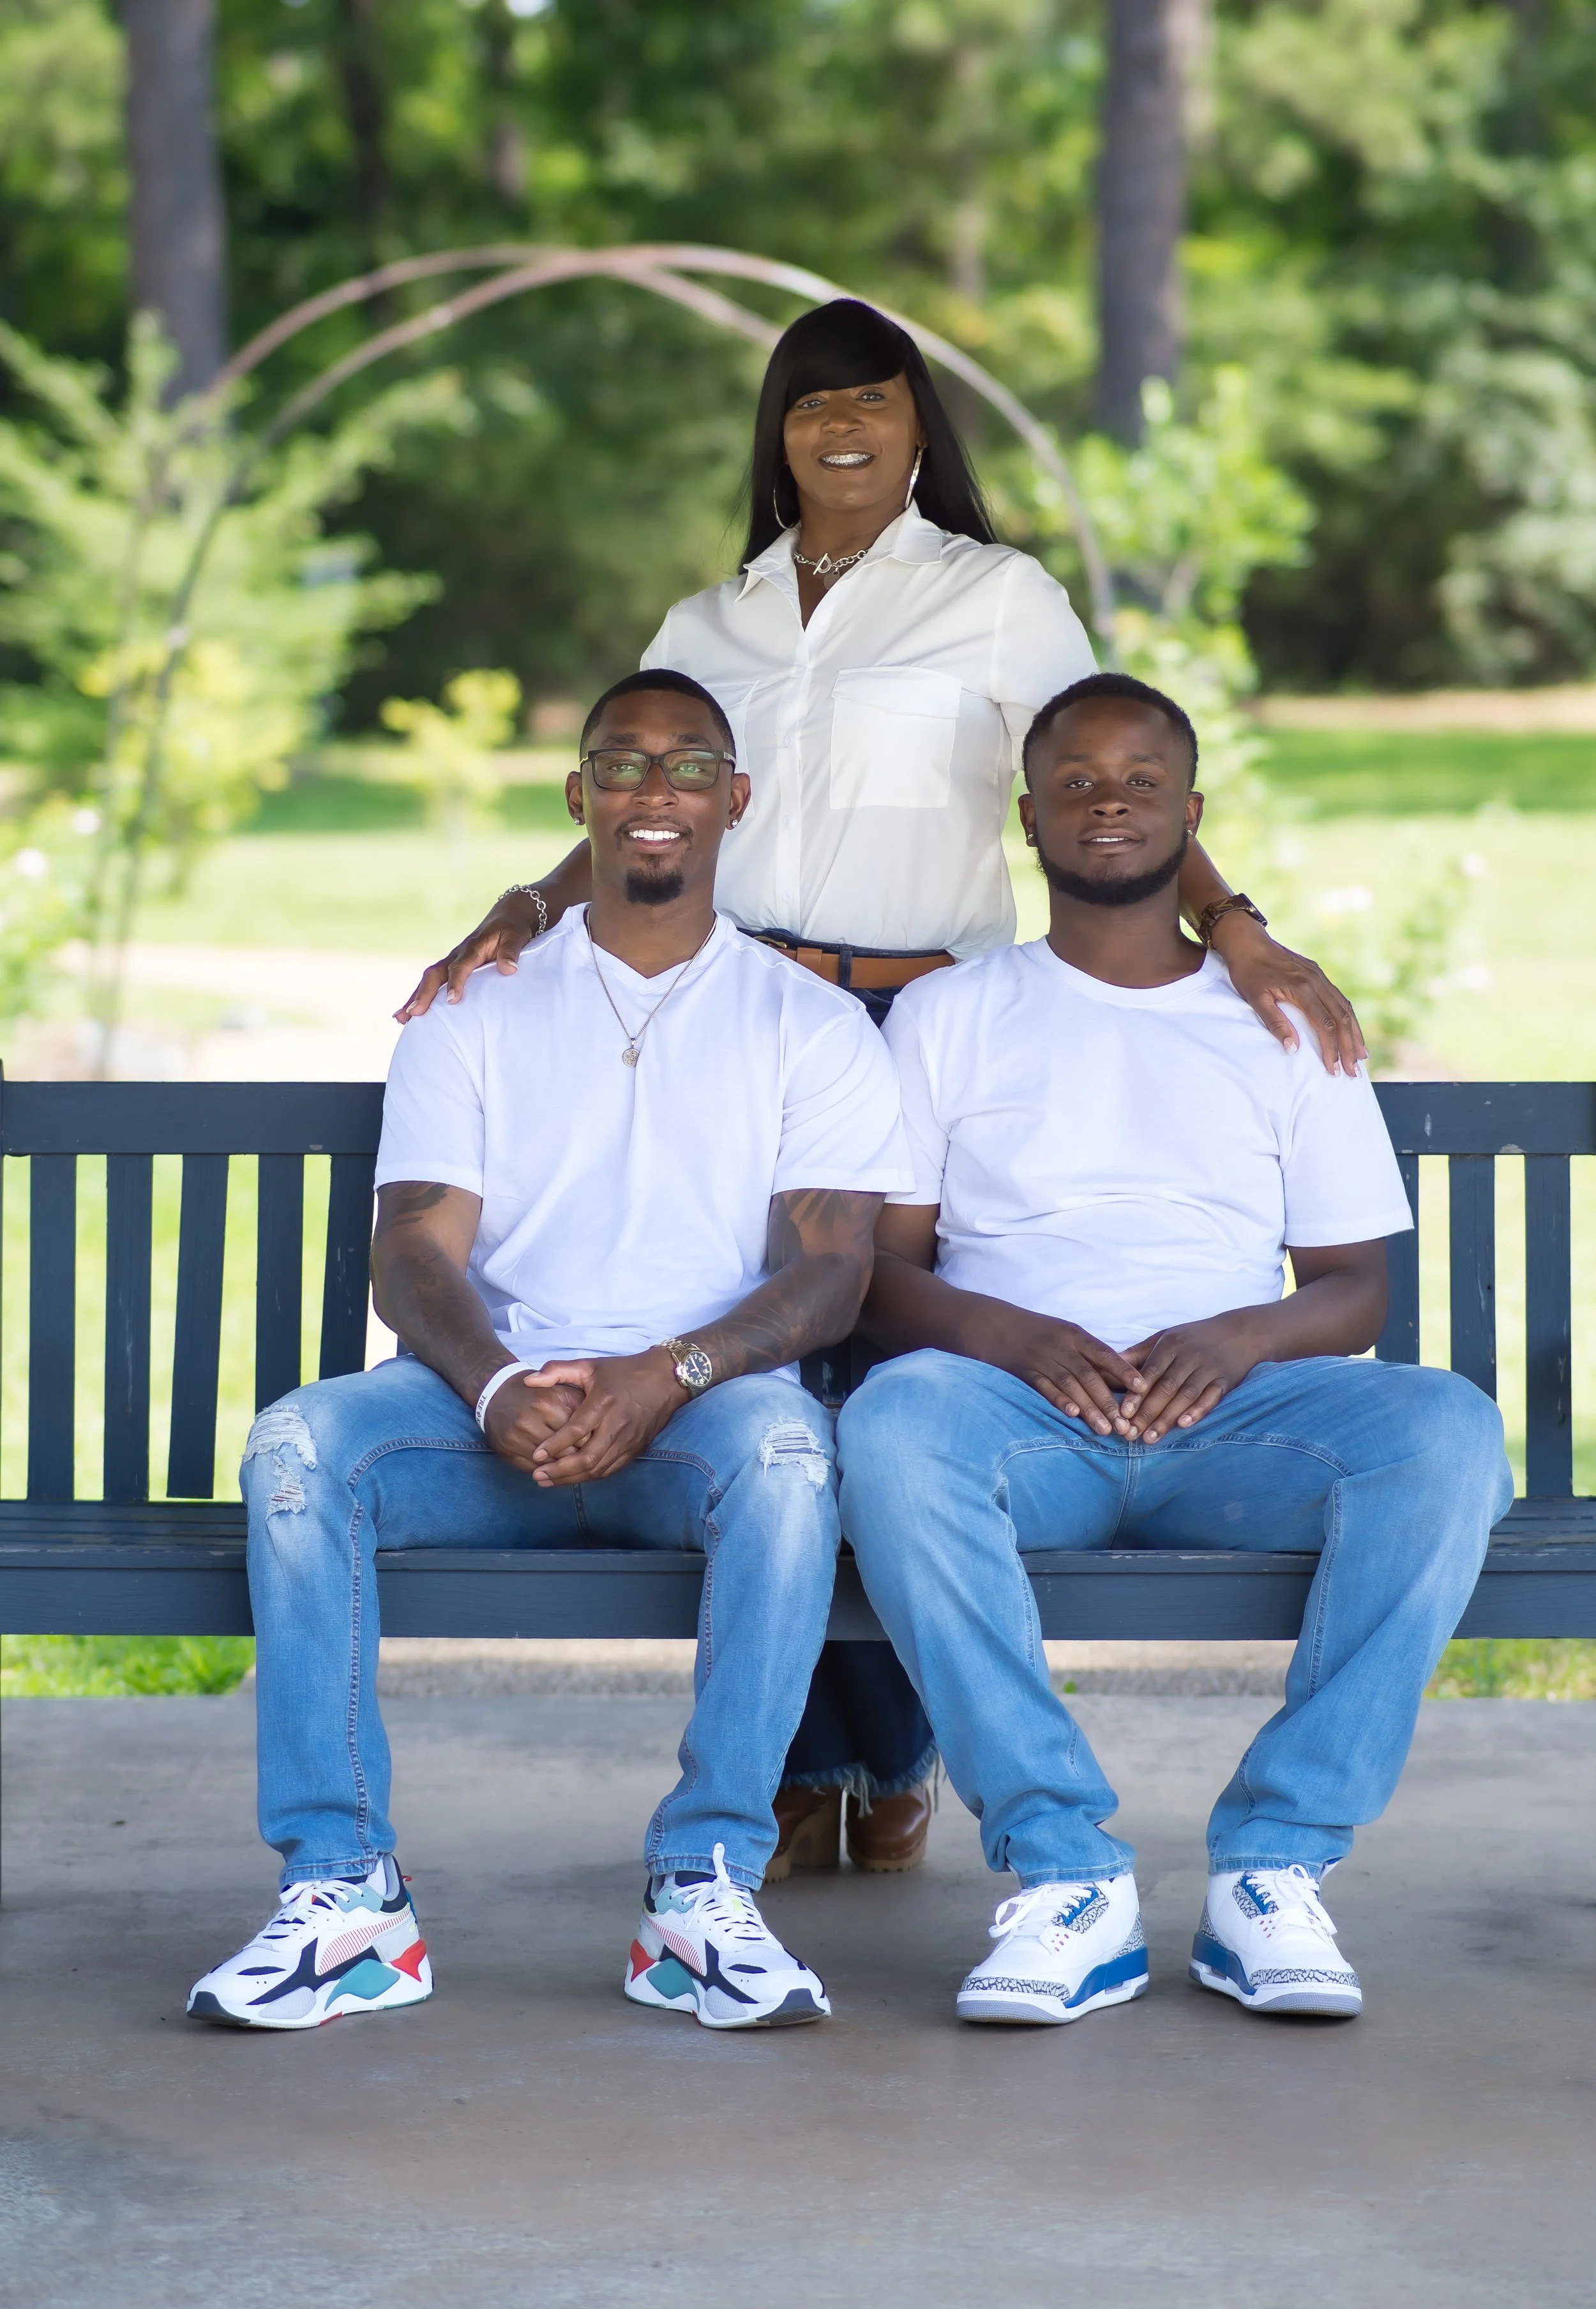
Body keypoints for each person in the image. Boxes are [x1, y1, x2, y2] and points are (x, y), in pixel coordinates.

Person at [396, 299, 1368, 1884]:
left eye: (874, 396)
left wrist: (1237, 929)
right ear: (773, 434)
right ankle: (802, 1765)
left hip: (919, 1011)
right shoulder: (704, 618)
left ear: (921, 425)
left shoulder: (995, 596)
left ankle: (888, 1755)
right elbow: (658, 792)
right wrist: (523, 907)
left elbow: (1096, 772)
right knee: (768, 1377)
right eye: (808, 402)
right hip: (743, 1015)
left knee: (884, 1384)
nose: (841, 422)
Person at [187, 670, 912, 2033]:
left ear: (733, 801)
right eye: (621, 765)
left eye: (689, 765)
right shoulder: (477, 1004)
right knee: (299, 1444)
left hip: (694, 1415)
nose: (655, 792)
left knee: (783, 1453)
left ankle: (702, 1887)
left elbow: (827, 1273)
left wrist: (669, 1372)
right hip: (482, 1417)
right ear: (577, 797)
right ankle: (345, 1897)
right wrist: (502, 1381)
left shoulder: (803, 1022)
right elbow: (414, 1250)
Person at [836, 670, 1513, 2025]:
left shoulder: (1280, 1021)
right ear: (1026, 818)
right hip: (1017, 1419)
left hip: (1236, 1419)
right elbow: (876, 1277)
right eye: (1074, 784)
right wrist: (1013, 1337)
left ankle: (1272, 1867)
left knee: (1442, 1431)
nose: (1107, 804)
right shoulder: (951, 1014)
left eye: (1139, 781)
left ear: (1188, 813)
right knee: (893, 1424)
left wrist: (1235, 1333)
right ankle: (1060, 1871)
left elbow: (1352, 1289)